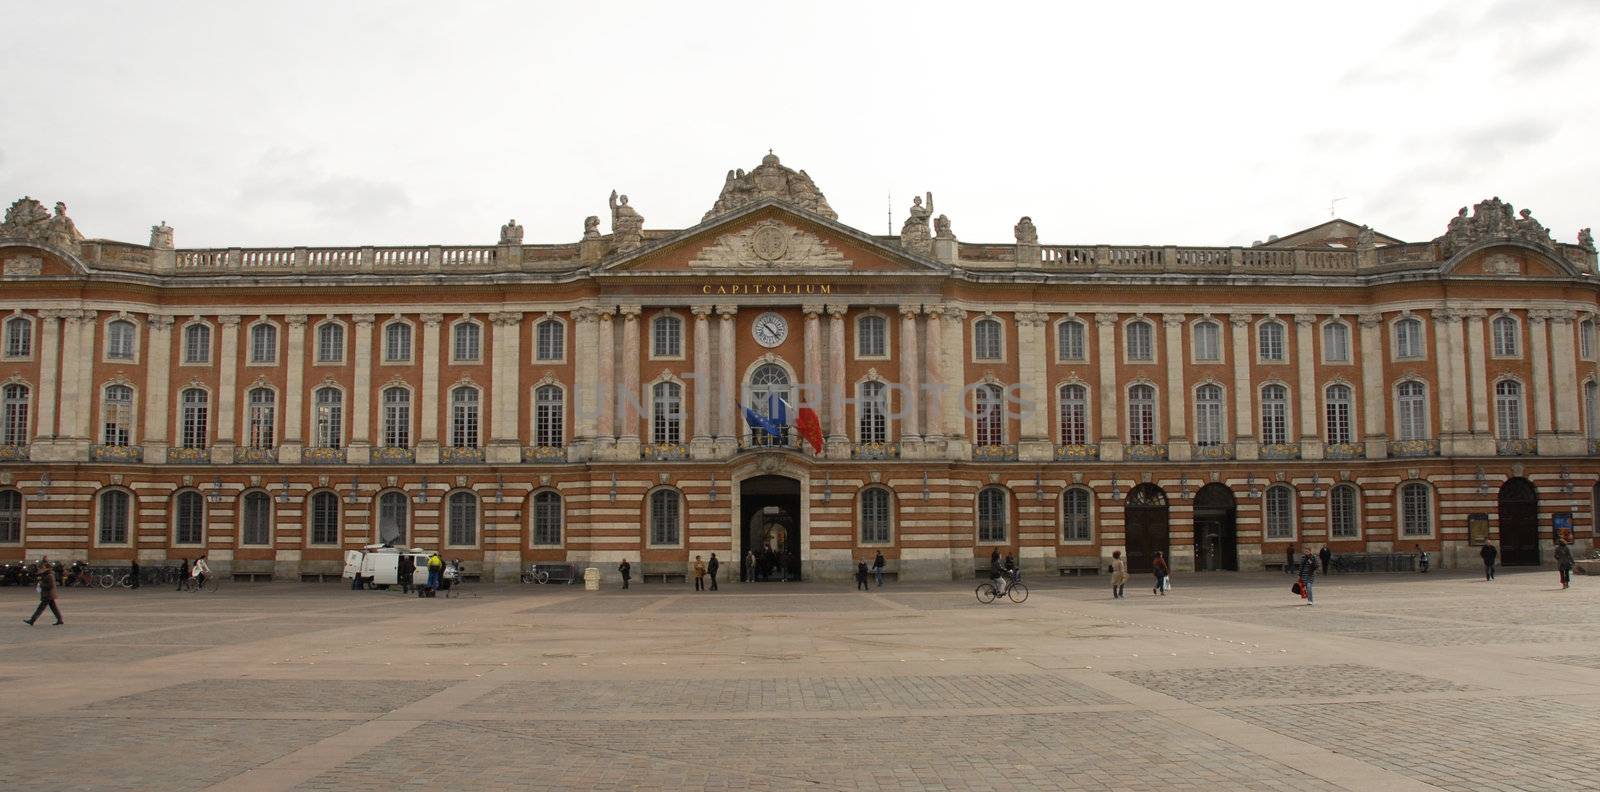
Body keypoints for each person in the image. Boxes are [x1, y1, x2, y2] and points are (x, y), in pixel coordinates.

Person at [24, 558, 63, 626]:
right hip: (49, 594)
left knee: (40, 608)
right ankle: (60, 620)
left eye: (41, 569)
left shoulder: (49, 575)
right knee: (54, 608)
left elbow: (50, 585)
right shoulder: (46, 574)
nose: (40, 570)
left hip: (48, 595)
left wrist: (41, 584)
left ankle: (32, 620)